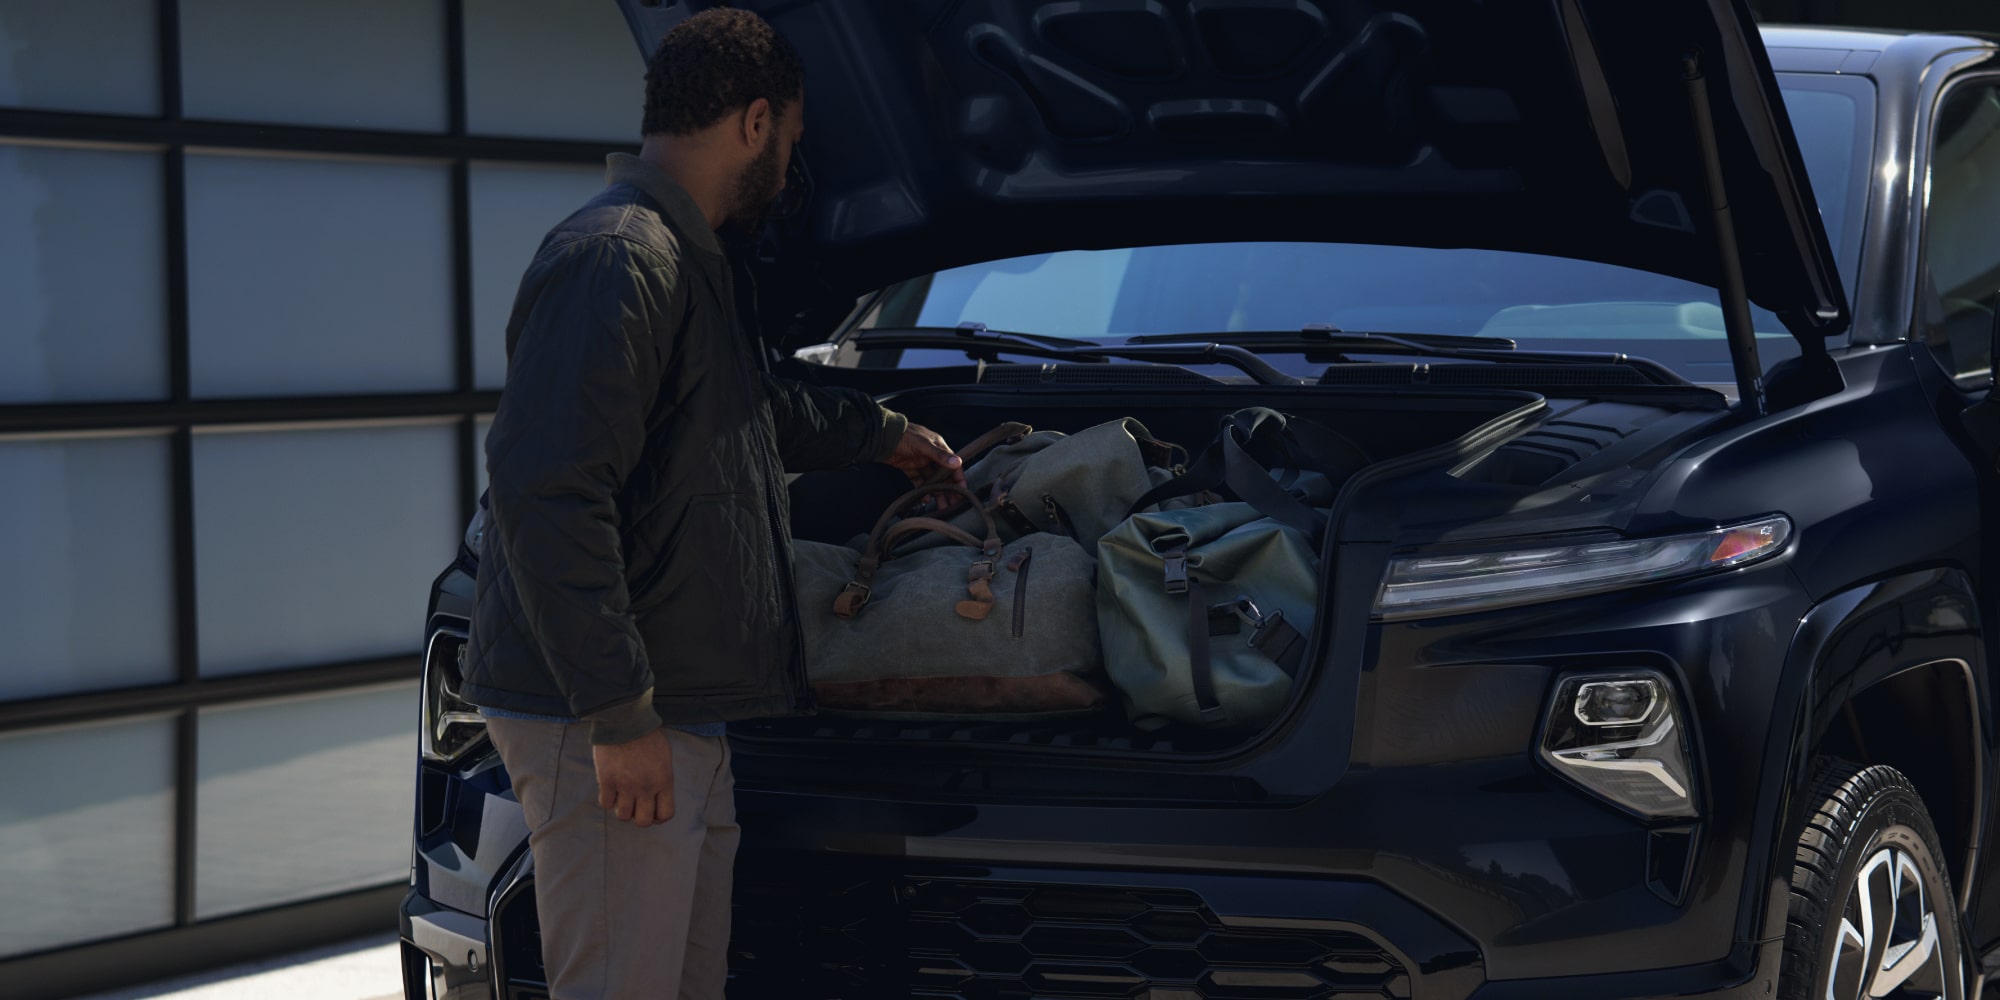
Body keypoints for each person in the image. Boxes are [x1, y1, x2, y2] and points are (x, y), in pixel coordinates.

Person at [458, 9, 964, 998]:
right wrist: (618, 716)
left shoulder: (689, 261)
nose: (792, 164)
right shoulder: (619, 258)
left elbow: (745, 414)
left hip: (680, 708)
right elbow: (547, 494)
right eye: (792, 139)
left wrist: (884, 434)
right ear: (754, 121)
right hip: (608, 714)